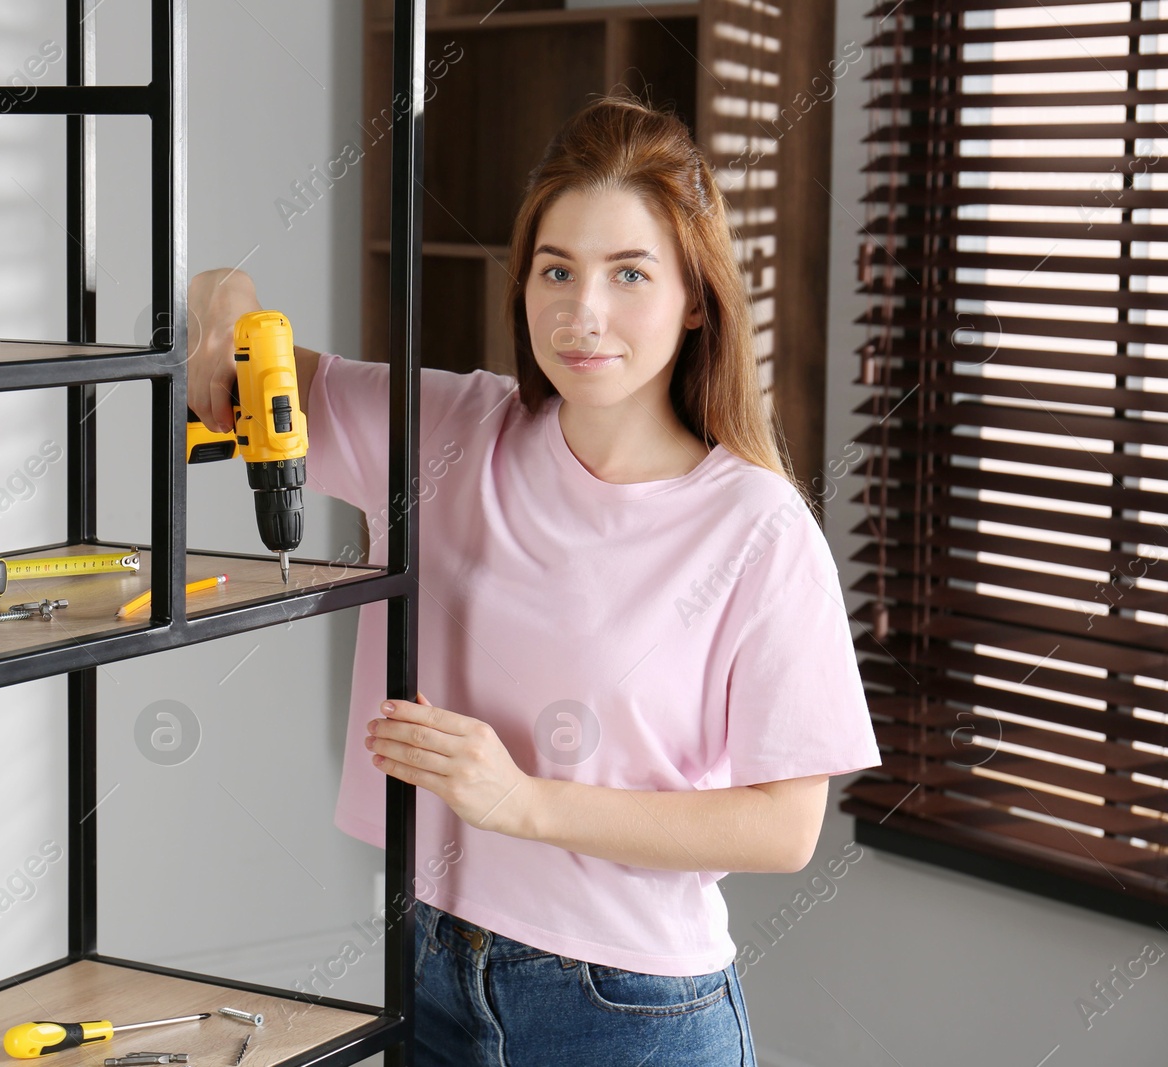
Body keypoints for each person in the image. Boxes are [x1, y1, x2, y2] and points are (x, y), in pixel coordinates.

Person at [187, 92, 883, 1067]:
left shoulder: (757, 529)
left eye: (628, 273)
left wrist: (520, 799)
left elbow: (784, 825)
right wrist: (218, 308)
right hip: (426, 966)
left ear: (694, 298)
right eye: (555, 270)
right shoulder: (446, 430)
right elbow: (242, 334)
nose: (581, 312)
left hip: (628, 1009)